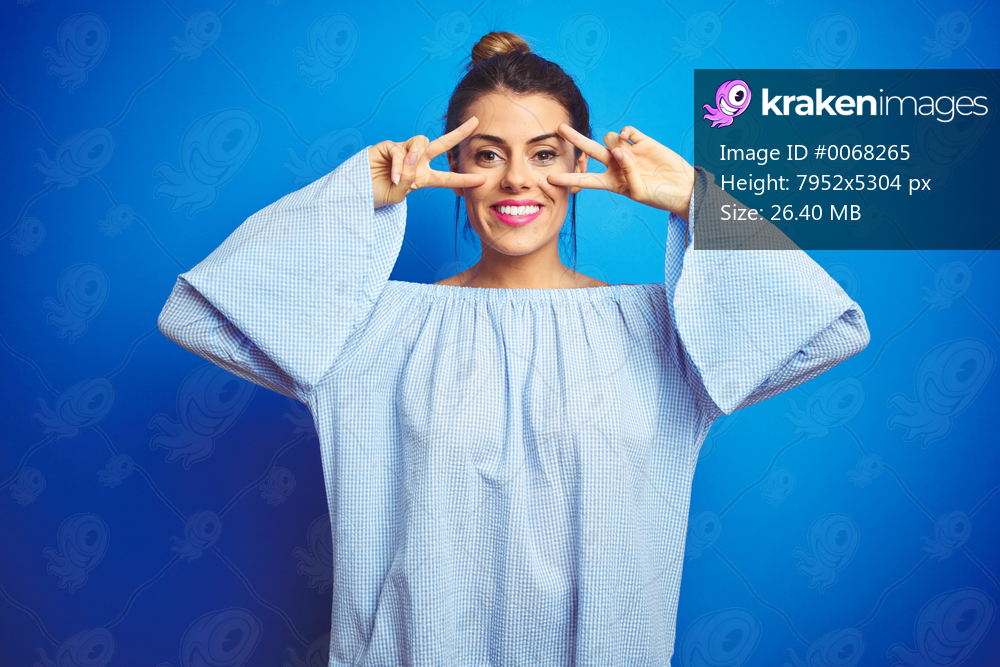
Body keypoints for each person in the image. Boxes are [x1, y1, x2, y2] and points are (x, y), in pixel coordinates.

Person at [157, 31, 870, 667]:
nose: (517, 180)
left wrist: (695, 200)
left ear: (587, 166)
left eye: (546, 154)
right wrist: (353, 198)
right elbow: (200, 314)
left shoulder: (668, 329)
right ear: (451, 167)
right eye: (486, 154)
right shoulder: (369, 327)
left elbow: (827, 330)